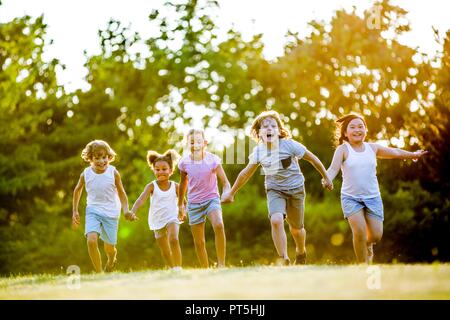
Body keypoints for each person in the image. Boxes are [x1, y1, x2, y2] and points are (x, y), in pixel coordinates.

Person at [221, 110, 333, 265]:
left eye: (273, 126)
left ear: (280, 131)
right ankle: (283, 257)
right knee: (276, 219)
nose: (269, 128)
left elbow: (312, 159)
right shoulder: (259, 151)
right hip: (275, 189)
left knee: (297, 229)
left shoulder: (290, 145)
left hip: (296, 189)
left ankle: (301, 251)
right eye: (265, 126)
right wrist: (231, 193)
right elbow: (245, 174)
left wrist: (326, 177)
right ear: (258, 133)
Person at [324, 113, 427, 264]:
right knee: (359, 232)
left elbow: (395, 152)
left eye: (361, 126)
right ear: (345, 133)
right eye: (352, 127)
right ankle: (362, 266)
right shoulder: (342, 150)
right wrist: (327, 179)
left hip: (373, 198)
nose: (357, 130)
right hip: (350, 197)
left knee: (375, 236)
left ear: (366, 130)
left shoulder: (372, 148)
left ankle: (367, 245)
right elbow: (333, 169)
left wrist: (413, 155)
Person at [72, 140, 133, 273]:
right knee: (91, 241)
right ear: (90, 158)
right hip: (93, 210)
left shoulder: (113, 172)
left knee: (109, 248)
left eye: (104, 157)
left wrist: (126, 210)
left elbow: (122, 193)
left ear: (109, 157)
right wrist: (75, 211)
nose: (101, 161)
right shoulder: (86, 174)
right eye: (97, 158)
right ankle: (99, 273)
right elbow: (77, 190)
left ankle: (111, 260)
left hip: (111, 212)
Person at [178, 129, 231, 268]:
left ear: (205, 143)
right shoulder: (184, 163)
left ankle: (221, 265)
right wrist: (180, 205)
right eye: (192, 142)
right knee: (199, 242)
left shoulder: (213, 159)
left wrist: (227, 192)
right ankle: (205, 269)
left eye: (199, 141)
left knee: (219, 225)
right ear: (187, 144)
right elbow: (183, 184)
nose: (195, 144)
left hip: (211, 199)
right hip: (194, 203)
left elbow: (225, 182)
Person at [129, 149, 183, 270]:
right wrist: (132, 211)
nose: (160, 172)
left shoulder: (176, 186)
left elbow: (183, 202)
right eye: (157, 169)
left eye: (164, 169)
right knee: (165, 250)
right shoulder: (151, 186)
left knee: (174, 239)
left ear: (171, 170)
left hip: (172, 217)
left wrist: (183, 211)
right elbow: (141, 199)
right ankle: (171, 268)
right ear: (153, 170)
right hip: (157, 220)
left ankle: (178, 268)